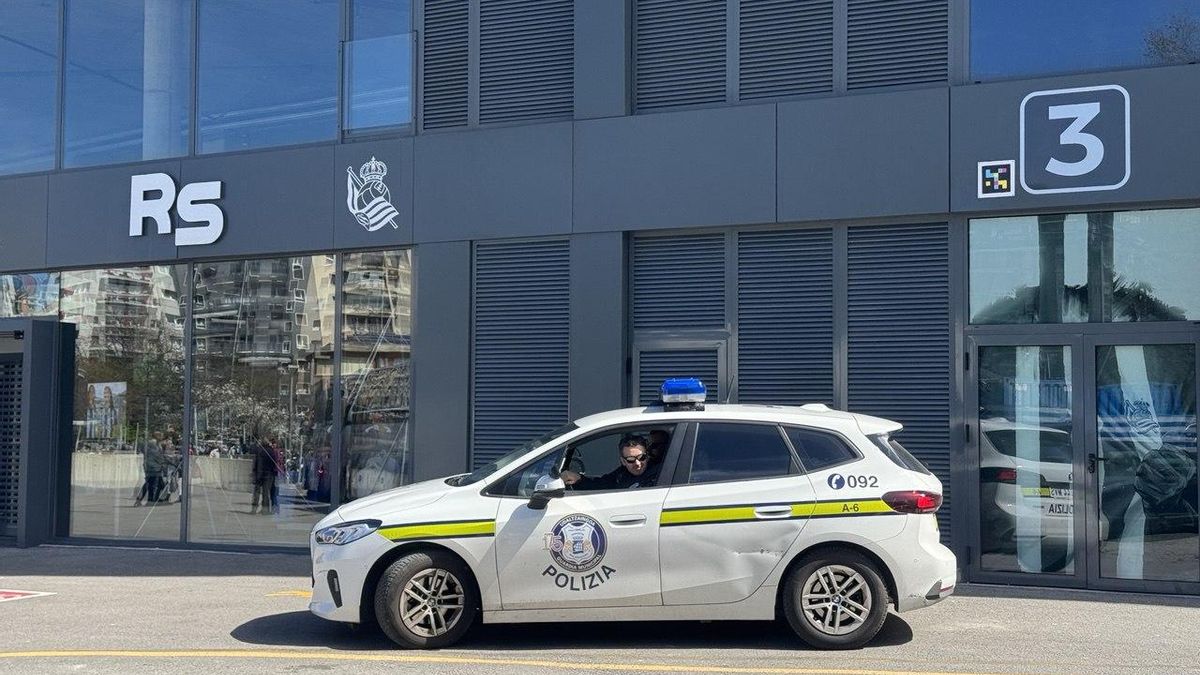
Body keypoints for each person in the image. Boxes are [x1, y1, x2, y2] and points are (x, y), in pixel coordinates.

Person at [560, 435, 660, 490]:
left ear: (647, 456)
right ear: (623, 461)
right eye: (631, 459)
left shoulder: (661, 472)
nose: (637, 463)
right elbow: (600, 484)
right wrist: (579, 479)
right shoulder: (621, 475)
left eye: (641, 457)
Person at [250, 437, 278, 514]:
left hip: (259, 474)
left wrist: (254, 472)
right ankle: (265, 510)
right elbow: (274, 464)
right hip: (268, 475)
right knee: (266, 493)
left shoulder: (259, 450)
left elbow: (256, 463)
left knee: (256, 492)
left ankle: (254, 509)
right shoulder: (271, 451)